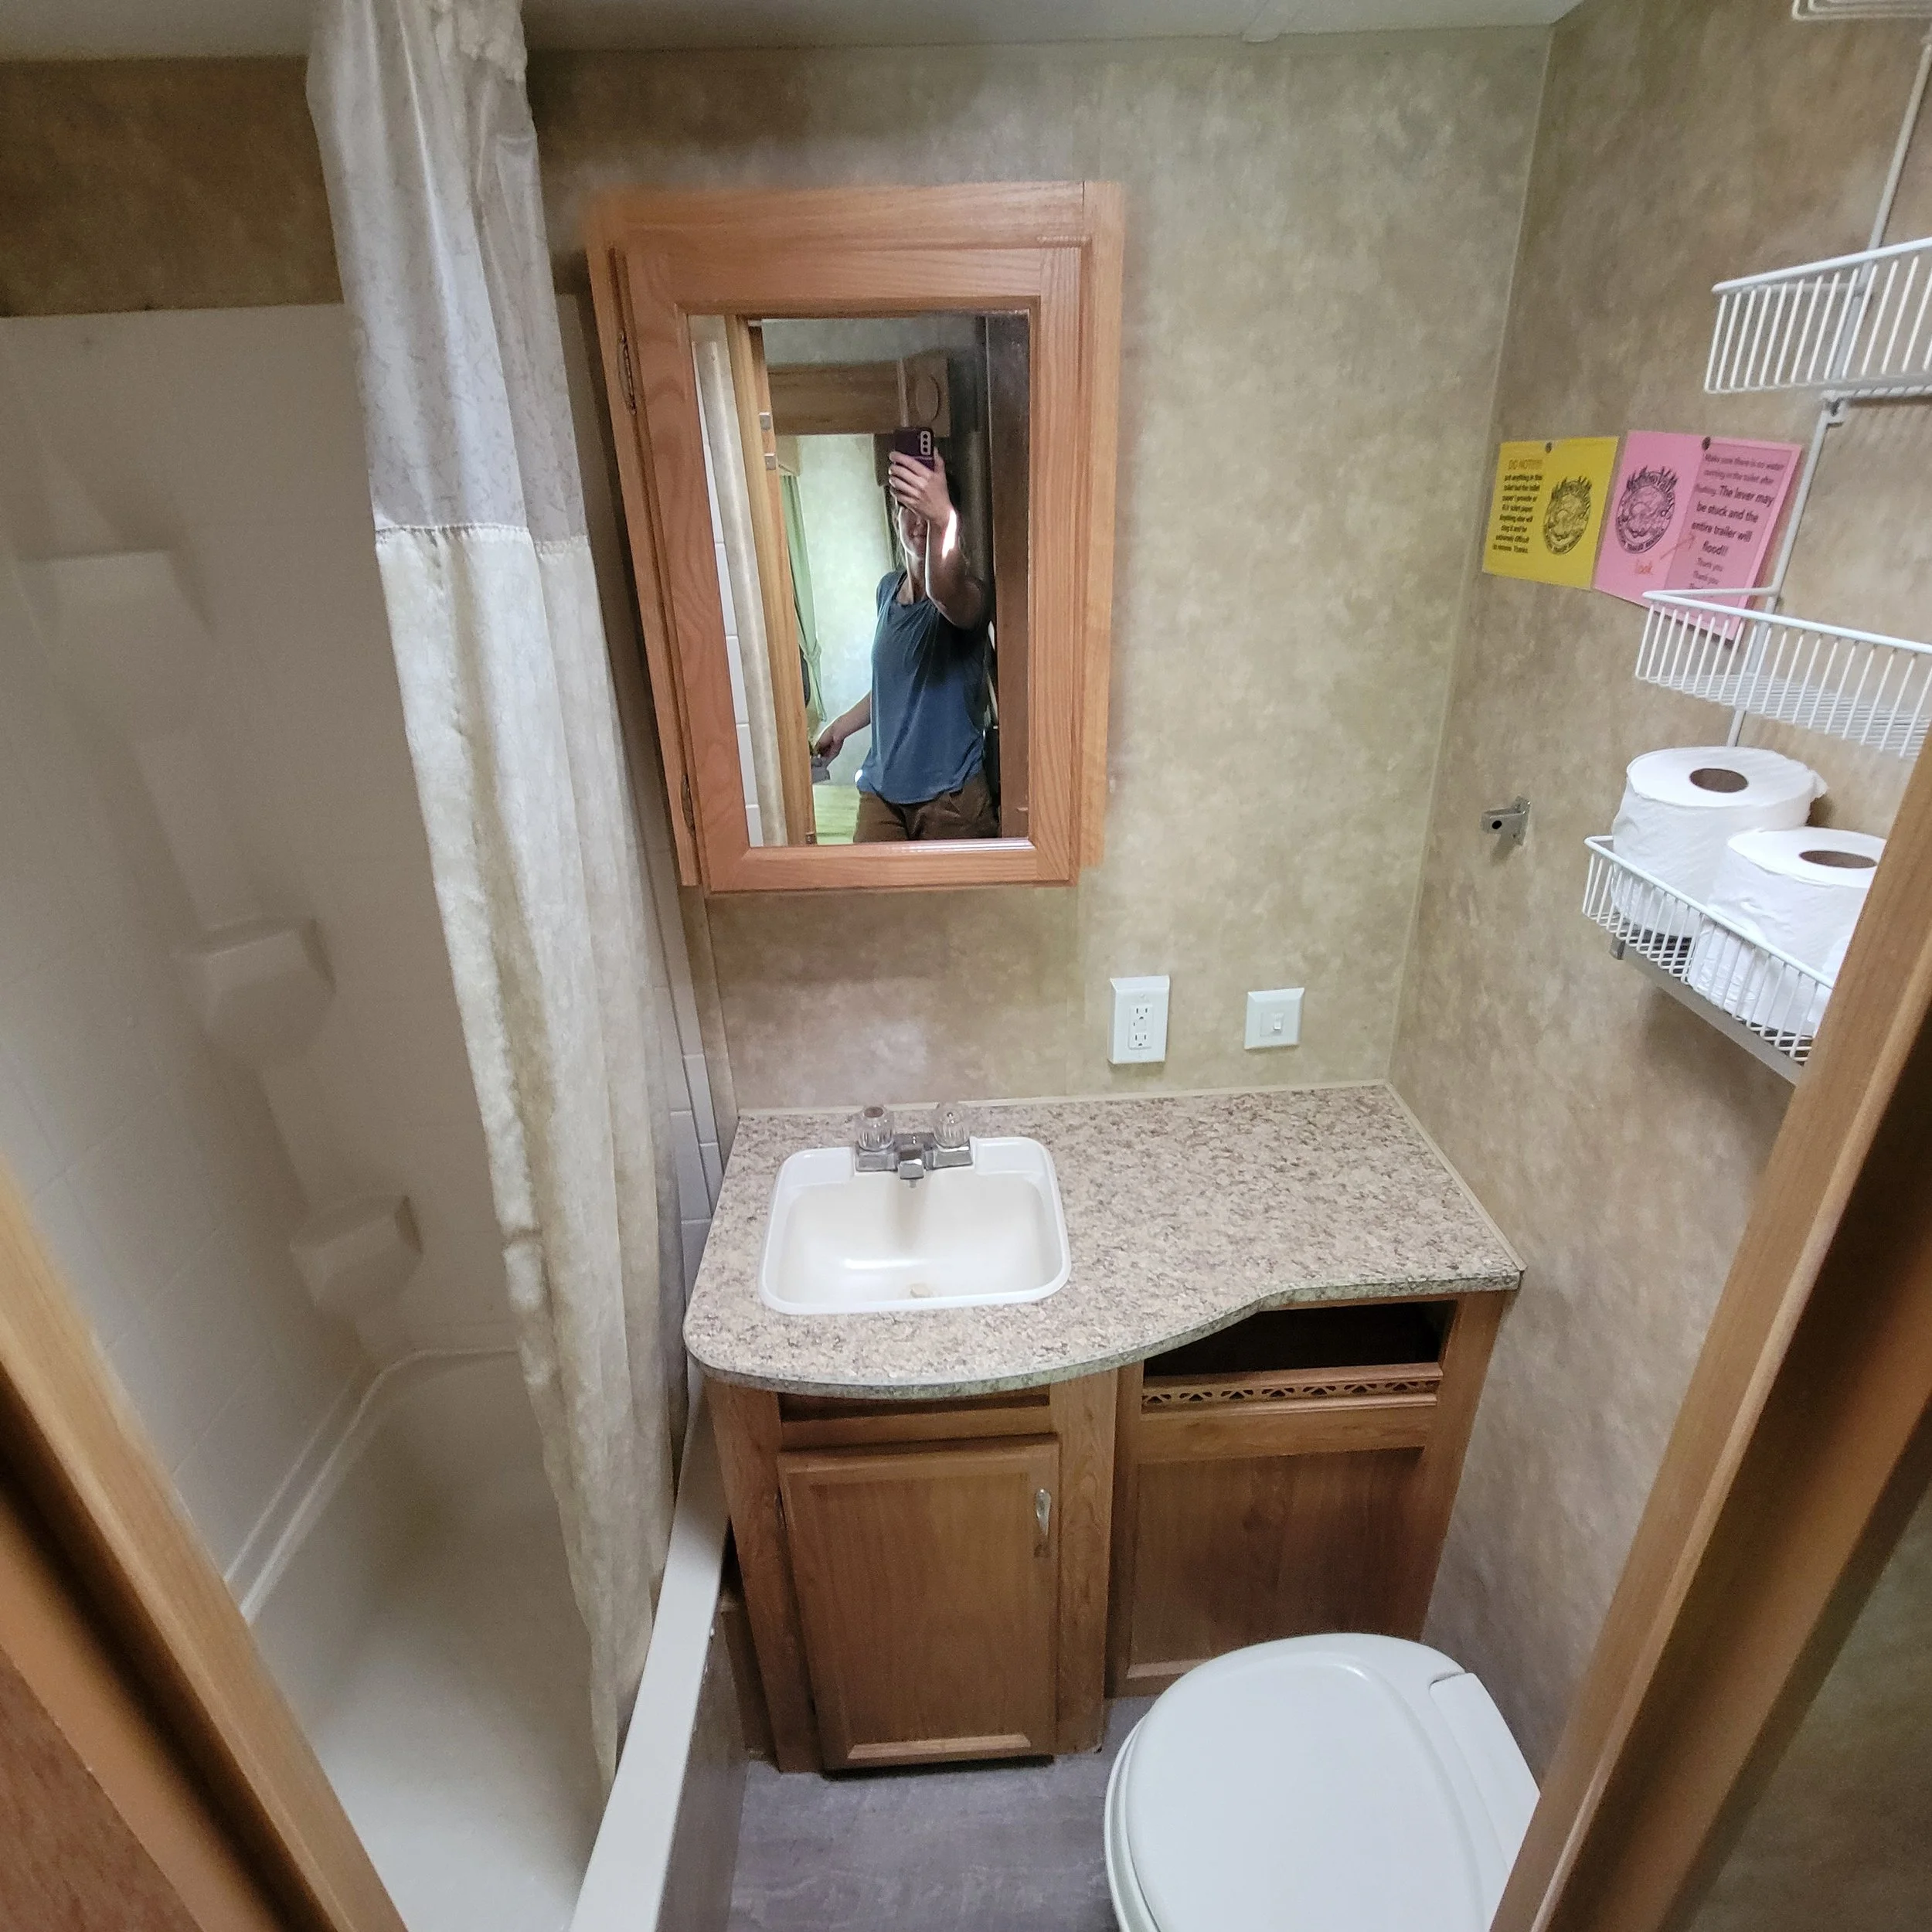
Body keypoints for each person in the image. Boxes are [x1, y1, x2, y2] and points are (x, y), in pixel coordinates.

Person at [812, 446, 997, 841]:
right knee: (868, 901)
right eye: (906, 507)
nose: (917, 522)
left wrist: (942, 519)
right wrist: (840, 727)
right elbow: (893, 688)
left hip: (951, 800)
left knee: (965, 906)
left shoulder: (969, 595)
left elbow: (943, 590)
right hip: (883, 793)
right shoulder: (886, 590)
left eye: (926, 509)